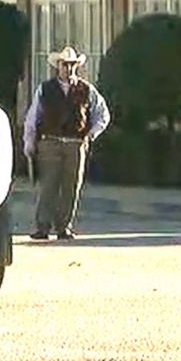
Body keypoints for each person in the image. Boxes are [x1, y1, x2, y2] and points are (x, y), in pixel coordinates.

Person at [23, 46, 111, 240]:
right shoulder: (45, 89)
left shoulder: (86, 89)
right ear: (58, 66)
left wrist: (90, 134)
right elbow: (33, 117)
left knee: (71, 186)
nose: (68, 68)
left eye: (72, 65)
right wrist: (29, 143)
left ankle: (64, 227)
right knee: (48, 186)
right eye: (65, 65)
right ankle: (43, 227)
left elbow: (102, 114)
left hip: (75, 143)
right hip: (49, 142)